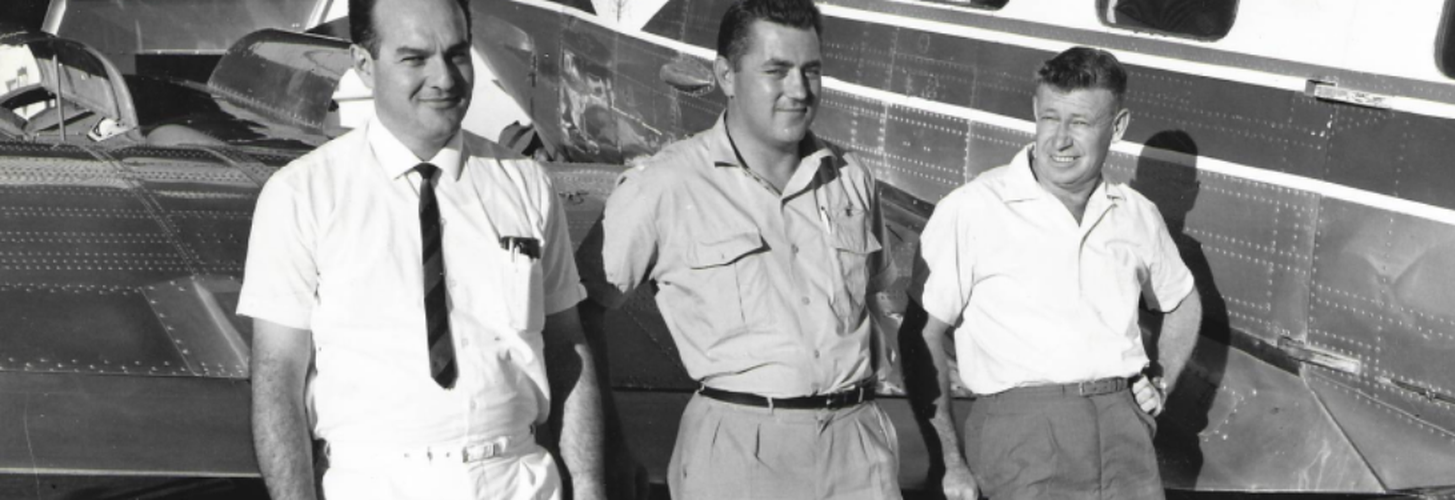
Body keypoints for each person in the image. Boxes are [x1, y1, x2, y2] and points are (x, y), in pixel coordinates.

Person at [238, 0, 604, 498]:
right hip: (374, 482)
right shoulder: (301, 196)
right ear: (365, 65)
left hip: (516, 480)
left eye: (457, 54)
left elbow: (566, 344)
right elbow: (277, 377)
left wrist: (588, 485)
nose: (445, 79)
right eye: (415, 58)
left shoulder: (525, 185)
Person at [581, 0, 898, 498]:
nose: (799, 90)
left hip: (858, 449)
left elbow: (875, 301)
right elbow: (581, 310)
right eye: (777, 71)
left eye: (810, 70)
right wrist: (609, 444)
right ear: (727, 75)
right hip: (738, 451)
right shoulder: (665, 185)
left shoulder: (852, 178)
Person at [907, 47, 1202, 500]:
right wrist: (949, 460)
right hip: (1021, 439)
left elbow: (1183, 302)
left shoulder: (1136, 213)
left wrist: (1159, 381)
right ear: (1034, 112)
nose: (1060, 140)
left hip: (1126, 436)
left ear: (1117, 127)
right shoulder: (973, 208)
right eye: (1050, 118)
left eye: (1080, 123)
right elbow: (921, 334)